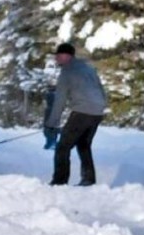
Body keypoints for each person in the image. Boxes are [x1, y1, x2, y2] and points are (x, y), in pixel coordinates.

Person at [45, 43, 106, 186]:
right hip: (97, 112)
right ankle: (88, 179)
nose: (56, 59)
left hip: (82, 112)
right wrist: (101, 107)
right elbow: (101, 89)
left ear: (67, 56)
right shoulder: (89, 69)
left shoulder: (67, 72)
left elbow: (59, 100)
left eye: (58, 56)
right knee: (83, 144)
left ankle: (59, 181)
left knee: (62, 148)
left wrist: (51, 123)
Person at [42, 84, 59, 150]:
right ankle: (51, 143)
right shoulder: (54, 95)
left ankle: (51, 143)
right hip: (52, 112)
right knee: (51, 129)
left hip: (51, 112)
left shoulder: (49, 95)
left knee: (50, 129)